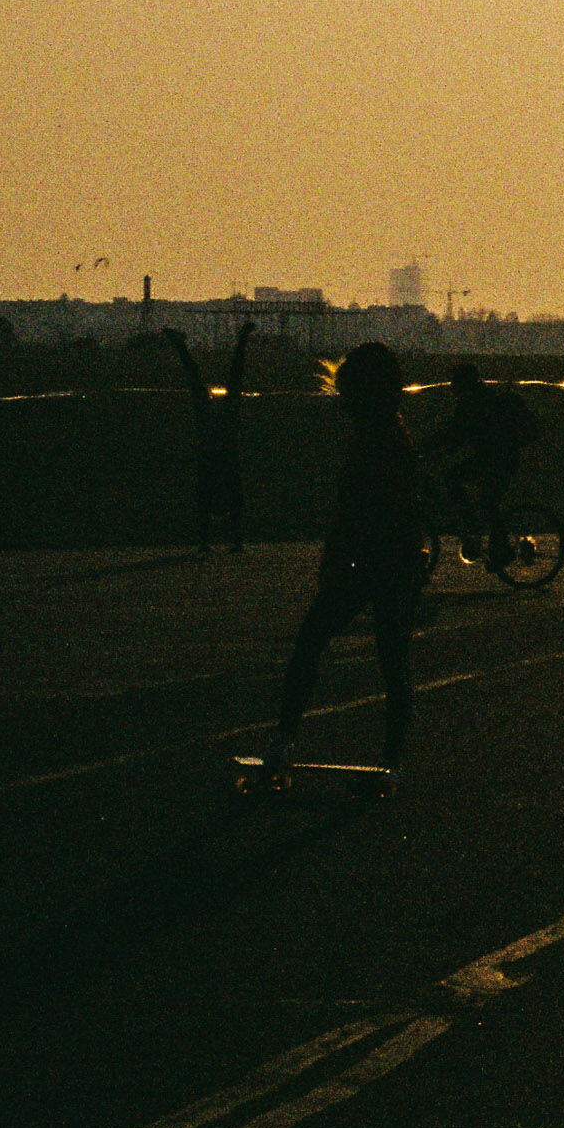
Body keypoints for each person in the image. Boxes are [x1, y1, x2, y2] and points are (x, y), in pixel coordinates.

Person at [262, 343, 421, 789]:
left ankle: (287, 739)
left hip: (378, 559)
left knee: (321, 645)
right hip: (387, 559)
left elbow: (365, 511)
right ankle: (387, 757)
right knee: (389, 659)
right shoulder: (386, 430)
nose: (343, 404)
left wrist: (341, 560)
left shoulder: (381, 438)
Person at [434, 362, 540, 564]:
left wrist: (427, 448)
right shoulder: (479, 397)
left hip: (499, 459)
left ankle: (498, 548)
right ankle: (476, 528)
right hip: (493, 457)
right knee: (473, 490)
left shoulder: (474, 402)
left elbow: (454, 431)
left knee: (485, 499)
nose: (451, 387)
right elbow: (458, 432)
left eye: (454, 382)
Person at [167, 321, 253, 554]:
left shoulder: (209, 419)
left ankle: (210, 543)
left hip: (214, 449)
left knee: (206, 383)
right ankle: (231, 542)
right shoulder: (228, 486)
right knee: (217, 382)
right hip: (221, 449)